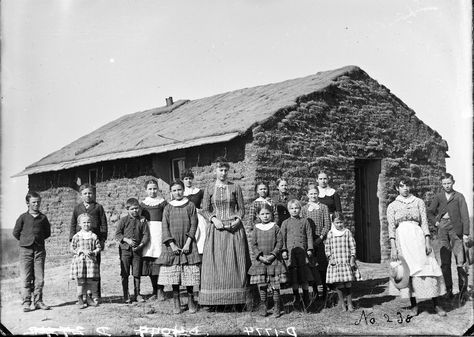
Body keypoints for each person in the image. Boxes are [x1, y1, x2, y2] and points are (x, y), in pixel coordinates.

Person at [387, 177, 446, 317]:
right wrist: (393, 247)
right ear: (397, 188)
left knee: (427, 266)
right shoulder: (392, 206)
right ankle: (414, 305)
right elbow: (391, 228)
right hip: (402, 239)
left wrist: (427, 241)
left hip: (417, 237)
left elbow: (424, 222)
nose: (405, 188)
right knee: (408, 270)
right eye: (401, 186)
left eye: (407, 185)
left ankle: (436, 304)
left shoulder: (418, 202)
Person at [200, 157, 251, 308]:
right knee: (216, 262)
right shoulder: (209, 188)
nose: (223, 173)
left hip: (234, 230)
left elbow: (242, 209)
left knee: (235, 260)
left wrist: (238, 220)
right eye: (220, 170)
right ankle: (214, 301)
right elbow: (204, 209)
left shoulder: (235, 187)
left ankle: (238, 299)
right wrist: (213, 219)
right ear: (215, 171)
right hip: (216, 230)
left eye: (225, 170)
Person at [157, 180, 201, 314]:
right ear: (171, 192)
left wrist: (188, 243)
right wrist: (172, 245)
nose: (177, 192)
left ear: (183, 190)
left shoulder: (190, 205)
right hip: (172, 246)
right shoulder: (168, 207)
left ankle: (190, 300)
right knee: (174, 274)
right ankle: (176, 300)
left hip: (187, 243)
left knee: (189, 273)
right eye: (174, 190)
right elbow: (165, 227)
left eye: (179, 190)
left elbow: (194, 225)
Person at [427, 173, 470, 300]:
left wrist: (466, 233)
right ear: (442, 184)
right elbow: (430, 212)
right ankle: (449, 290)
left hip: (456, 230)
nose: (447, 185)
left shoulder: (459, 197)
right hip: (443, 229)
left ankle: (462, 292)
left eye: (449, 183)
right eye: (444, 183)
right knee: (445, 262)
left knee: (460, 262)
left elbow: (465, 215)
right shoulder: (439, 197)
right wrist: (436, 222)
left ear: (453, 182)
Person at [13, 191, 52, 312]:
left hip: (39, 250)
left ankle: (38, 301)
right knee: (26, 277)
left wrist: (37, 241)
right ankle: (26, 302)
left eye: (38, 202)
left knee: (39, 278)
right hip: (25, 251)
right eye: (33, 202)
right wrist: (26, 241)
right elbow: (16, 232)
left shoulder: (43, 218)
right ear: (27, 203)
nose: (36, 204)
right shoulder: (23, 217)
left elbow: (47, 233)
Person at [248, 204, 287, 317]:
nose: (265, 216)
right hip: (260, 261)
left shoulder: (275, 227)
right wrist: (259, 257)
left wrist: (273, 255)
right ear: (258, 215)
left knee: (275, 285)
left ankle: (277, 306)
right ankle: (264, 306)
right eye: (262, 214)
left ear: (272, 214)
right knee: (262, 285)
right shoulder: (256, 228)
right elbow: (253, 244)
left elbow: (280, 242)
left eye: (267, 214)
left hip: (274, 260)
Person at [70, 184, 107, 297]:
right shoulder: (77, 208)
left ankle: (95, 295)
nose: (88, 195)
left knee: (94, 269)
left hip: (93, 243)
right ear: (81, 195)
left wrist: (102, 240)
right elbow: (73, 224)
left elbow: (103, 224)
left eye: (90, 193)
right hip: (81, 243)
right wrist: (72, 240)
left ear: (93, 194)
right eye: (85, 193)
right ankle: (83, 295)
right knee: (82, 270)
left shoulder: (98, 207)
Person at [281, 199, 314, 312]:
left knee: (303, 277)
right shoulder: (285, 223)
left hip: (303, 253)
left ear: (300, 209)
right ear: (288, 210)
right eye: (292, 208)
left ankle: (306, 298)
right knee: (294, 277)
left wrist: (310, 248)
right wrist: (284, 250)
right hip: (291, 254)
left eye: (296, 208)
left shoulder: (305, 221)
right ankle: (296, 298)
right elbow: (282, 238)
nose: (294, 210)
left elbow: (309, 236)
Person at [115, 198, 150, 303]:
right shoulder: (123, 220)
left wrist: (141, 245)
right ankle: (126, 295)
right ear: (127, 209)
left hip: (137, 251)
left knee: (136, 272)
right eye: (132, 209)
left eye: (137, 208)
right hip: (125, 250)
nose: (135, 211)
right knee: (125, 273)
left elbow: (146, 235)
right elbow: (117, 234)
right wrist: (127, 240)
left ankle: (137, 294)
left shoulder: (142, 221)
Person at [325, 212, 361, 312]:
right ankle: (342, 305)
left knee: (348, 283)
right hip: (336, 263)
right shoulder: (330, 234)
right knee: (340, 284)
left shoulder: (347, 232)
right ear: (333, 223)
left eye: (341, 222)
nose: (339, 224)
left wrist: (352, 258)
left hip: (346, 262)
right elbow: (327, 247)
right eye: (337, 222)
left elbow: (353, 246)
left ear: (343, 222)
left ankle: (350, 304)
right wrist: (330, 257)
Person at [301, 184, 331, 300]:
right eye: (311, 193)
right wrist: (310, 242)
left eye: (315, 193)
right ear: (307, 195)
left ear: (318, 194)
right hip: (309, 242)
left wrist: (320, 238)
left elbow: (327, 224)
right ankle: (314, 292)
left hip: (321, 241)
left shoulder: (323, 207)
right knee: (312, 266)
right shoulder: (304, 209)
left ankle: (324, 292)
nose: (313, 195)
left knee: (322, 266)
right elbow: (303, 225)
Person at [140, 179, 167, 301]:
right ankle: (154, 289)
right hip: (148, 233)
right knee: (150, 261)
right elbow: (139, 218)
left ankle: (161, 289)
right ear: (146, 190)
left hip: (159, 233)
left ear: (158, 189)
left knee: (159, 261)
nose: (152, 191)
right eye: (150, 189)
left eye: (155, 188)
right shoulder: (143, 204)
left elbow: (167, 217)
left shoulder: (162, 203)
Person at [70, 214, 101, 309]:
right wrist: (80, 251)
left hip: (90, 262)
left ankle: (88, 298)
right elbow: (72, 248)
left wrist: (93, 252)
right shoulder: (76, 236)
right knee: (81, 282)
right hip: (80, 262)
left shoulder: (93, 236)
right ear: (79, 224)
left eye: (88, 222)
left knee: (89, 281)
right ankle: (80, 299)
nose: (86, 224)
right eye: (84, 222)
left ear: (91, 223)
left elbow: (98, 247)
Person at [181, 169, 207, 255]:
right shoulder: (180, 193)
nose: (188, 181)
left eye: (190, 178)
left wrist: (200, 210)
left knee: (201, 240)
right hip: (186, 218)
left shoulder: (199, 192)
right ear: (182, 180)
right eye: (186, 179)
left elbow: (206, 206)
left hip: (198, 218)